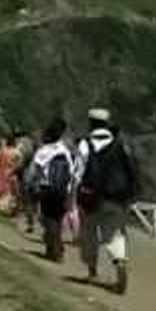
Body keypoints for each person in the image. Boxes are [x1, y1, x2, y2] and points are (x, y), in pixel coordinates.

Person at [74, 108, 138, 293]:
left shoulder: (85, 144)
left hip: (91, 198)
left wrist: (74, 195)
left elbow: (78, 172)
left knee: (89, 234)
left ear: (91, 123)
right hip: (117, 198)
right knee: (115, 234)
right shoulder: (121, 144)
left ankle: (92, 271)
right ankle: (119, 263)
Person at [27, 118, 73, 262]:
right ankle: (52, 247)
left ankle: (57, 249)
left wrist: (30, 186)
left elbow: (32, 171)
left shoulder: (43, 151)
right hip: (62, 190)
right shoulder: (65, 150)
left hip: (46, 189)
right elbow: (71, 171)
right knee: (57, 219)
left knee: (48, 219)